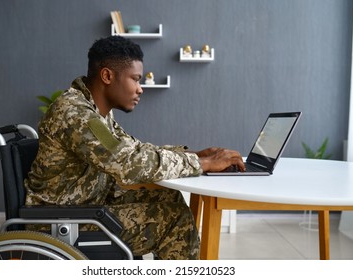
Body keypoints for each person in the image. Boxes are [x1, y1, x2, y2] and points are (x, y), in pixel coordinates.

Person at [25, 36, 245, 260]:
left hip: (86, 207)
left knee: (170, 198)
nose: (140, 89)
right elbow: (126, 164)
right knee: (172, 219)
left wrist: (193, 154)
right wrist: (202, 164)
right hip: (62, 222)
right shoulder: (77, 114)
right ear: (107, 76)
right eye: (135, 79)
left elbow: (133, 150)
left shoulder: (94, 112)